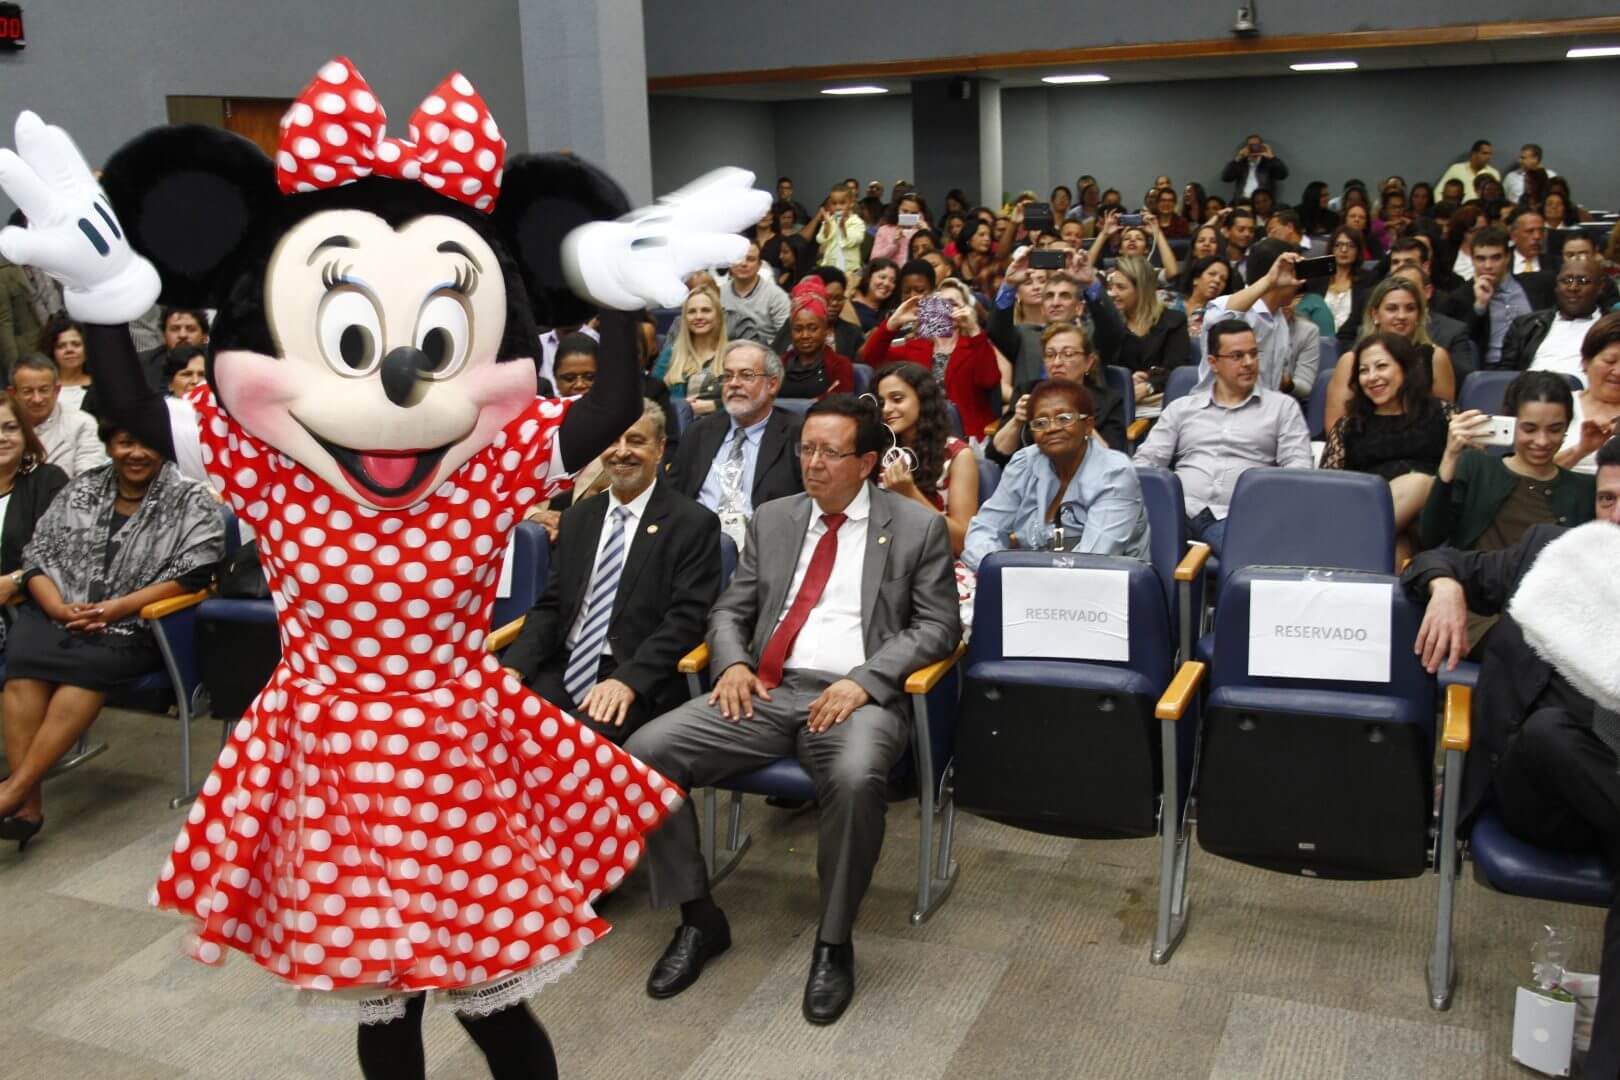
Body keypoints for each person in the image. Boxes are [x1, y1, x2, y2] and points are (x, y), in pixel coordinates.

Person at [625, 394, 959, 1025]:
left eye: (830, 453)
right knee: (645, 754)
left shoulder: (917, 527)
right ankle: (698, 917)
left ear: (867, 462)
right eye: (806, 449)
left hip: (855, 697)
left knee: (856, 780)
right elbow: (730, 609)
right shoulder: (775, 517)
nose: (812, 464)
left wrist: (866, 681)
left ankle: (833, 942)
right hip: (766, 689)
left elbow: (939, 626)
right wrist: (732, 663)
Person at [1400, 440, 1620, 1079]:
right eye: (1608, 499)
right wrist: (1447, 587)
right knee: (1552, 730)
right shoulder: (1553, 555)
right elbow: (1435, 557)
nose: (1616, 518)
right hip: (1537, 792)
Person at [0, 420, 225, 840]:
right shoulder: (81, 488)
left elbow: (194, 572)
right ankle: (28, 808)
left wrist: (115, 608)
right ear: (109, 445)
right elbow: (38, 556)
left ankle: (13, 791)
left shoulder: (189, 498)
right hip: (60, 612)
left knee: (87, 667)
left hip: (133, 623)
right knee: (24, 659)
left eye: (147, 443)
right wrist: (57, 607)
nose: (136, 453)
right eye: (125, 443)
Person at [503, 400, 720, 744]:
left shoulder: (693, 524)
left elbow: (686, 621)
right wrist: (515, 666)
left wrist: (629, 680)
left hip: (638, 672)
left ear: (660, 448)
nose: (621, 452)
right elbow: (551, 606)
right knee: (499, 722)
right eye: (612, 441)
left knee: (571, 745)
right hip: (565, 664)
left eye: (636, 441)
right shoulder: (578, 517)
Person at [1134, 318, 1313, 556]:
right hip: (1179, 512)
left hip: (1240, 517)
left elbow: (1299, 469)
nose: (1249, 363)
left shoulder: (1282, 408)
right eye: (1237, 356)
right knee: (1134, 548)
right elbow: (1147, 462)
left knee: (1252, 559)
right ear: (1213, 363)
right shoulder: (1183, 408)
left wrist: (1268, 509)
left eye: (1253, 354)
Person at [964, 377, 1149, 571]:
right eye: (1040, 423)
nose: (1052, 428)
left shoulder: (1115, 474)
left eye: (1064, 419)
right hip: (1027, 580)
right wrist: (998, 571)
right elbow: (985, 530)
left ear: (1088, 425)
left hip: (1107, 584)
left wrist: (1020, 577)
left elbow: (1092, 562)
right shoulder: (1025, 463)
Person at [1420, 370, 1593, 568]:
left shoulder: (1585, 488)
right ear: (1511, 422)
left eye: (1555, 429)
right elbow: (1430, 536)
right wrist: (1450, 456)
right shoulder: (1477, 467)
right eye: (1529, 429)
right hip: (1478, 582)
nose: (1542, 441)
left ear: (1567, 427)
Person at [1320, 333, 1454, 562]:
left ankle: (1341, 552)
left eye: (1381, 366)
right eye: (1363, 371)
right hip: (1368, 516)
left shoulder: (1442, 414)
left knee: (1419, 483)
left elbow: (1465, 475)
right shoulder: (1349, 426)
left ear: (1406, 368)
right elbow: (1329, 489)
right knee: (1398, 548)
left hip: (1431, 519)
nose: (1372, 377)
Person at [669, 340, 803, 523]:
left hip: (763, 536)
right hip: (697, 535)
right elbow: (671, 495)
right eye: (727, 376)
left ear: (772, 385)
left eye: (746, 375)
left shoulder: (798, 434)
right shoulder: (698, 432)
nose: (733, 384)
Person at [862, 278, 1004, 437]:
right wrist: (893, 322)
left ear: (966, 310)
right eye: (940, 303)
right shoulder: (913, 347)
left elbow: (988, 380)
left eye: (953, 304)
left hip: (966, 433)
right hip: (920, 432)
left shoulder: (977, 345)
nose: (946, 309)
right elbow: (870, 358)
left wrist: (974, 329)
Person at [1323, 275, 1457, 431]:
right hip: (1362, 441)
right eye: (1392, 308)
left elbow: (1445, 420)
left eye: (1410, 308)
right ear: (1375, 314)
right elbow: (1335, 426)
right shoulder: (1351, 361)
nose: (1401, 316)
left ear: (1419, 315)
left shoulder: (1435, 357)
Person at [871, 362, 978, 555]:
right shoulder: (874, 452)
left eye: (897, 399)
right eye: (881, 403)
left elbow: (962, 543)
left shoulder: (957, 455)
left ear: (923, 399)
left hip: (936, 560)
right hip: (883, 556)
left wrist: (910, 493)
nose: (886, 409)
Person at [989, 320, 1125, 459]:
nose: (1057, 362)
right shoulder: (1027, 391)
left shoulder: (1109, 401)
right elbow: (995, 456)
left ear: (1088, 362)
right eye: (1050, 355)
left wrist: (1081, 420)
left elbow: (1114, 460)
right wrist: (1017, 421)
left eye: (1068, 354)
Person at [0, 392, 69, 649]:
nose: (1, 437)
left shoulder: (48, 481)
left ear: (25, 433)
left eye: (10, 428)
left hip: (28, 612)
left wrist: (16, 580)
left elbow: (63, 554)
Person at [1445, 225, 1556, 369]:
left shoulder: (1538, 283)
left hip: (1539, 363)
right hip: (1493, 369)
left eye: (1496, 258)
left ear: (1508, 257)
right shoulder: (1461, 297)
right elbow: (1462, 345)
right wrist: (1480, 306)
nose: (1488, 266)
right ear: (1472, 260)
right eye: (1481, 259)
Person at [1198, 240, 1302, 392]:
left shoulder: (1280, 319)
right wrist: (1269, 281)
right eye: (1295, 272)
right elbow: (1216, 319)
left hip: (1265, 405)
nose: (1300, 283)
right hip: (1218, 405)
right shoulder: (1230, 305)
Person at [1094, 253, 1191, 401]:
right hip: (1116, 399)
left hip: (1159, 401)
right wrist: (1126, 381)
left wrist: (1149, 385)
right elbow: (1101, 367)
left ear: (1141, 290)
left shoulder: (1174, 321)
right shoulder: (1110, 323)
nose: (1112, 293)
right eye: (1111, 286)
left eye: (1120, 287)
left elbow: (1176, 369)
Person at [1497, 255, 1605, 381]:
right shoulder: (1526, 325)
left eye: (1583, 281)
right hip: (1528, 389)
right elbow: (1504, 376)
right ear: (1556, 287)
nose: (1573, 287)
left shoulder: (1612, 327)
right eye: (1566, 280)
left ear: (1600, 287)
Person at [8, 354, 106, 478]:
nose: (37, 399)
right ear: (12, 393)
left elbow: (89, 480)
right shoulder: (4, 426)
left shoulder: (82, 423)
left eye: (44, 390)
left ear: (57, 390)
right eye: (27, 391)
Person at [653, 283, 729, 415]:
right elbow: (651, 401)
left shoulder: (732, 355)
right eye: (692, 311)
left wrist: (714, 406)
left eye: (706, 310)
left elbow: (748, 402)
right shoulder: (671, 353)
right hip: (679, 425)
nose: (698, 316)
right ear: (685, 318)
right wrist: (681, 405)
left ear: (718, 316)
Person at [1558, 313, 1620, 474]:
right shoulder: (1558, 405)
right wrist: (1580, 450)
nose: (1618, 371)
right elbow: (1531, 473)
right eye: (1610, 361)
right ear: (1586, 361)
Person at [778, 281, 855, 399]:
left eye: (813, 329)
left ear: (825, 330)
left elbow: (842, 404)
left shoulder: (840, 365)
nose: (805, 335)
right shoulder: (778, 364)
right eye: (798, 329)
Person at [1310, 226, 1373, 342]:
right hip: (1315, 341)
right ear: (1331, 249)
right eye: (1338, 245)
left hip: (1351, 342)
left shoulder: (1368, 279)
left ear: (1358, 251)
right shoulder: (1316, 279)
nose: (1344, 250)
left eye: (1351, 246)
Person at [720, 241, 791, 345]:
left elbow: (786, 338)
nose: (743, 264)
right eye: (738, 258)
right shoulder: (719, 294)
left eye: (750, 259)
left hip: (766, 351)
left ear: (759, 265)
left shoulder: (776, 297)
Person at [138, 307, 209, 392]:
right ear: (163, 335)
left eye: (191, 329)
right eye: (175, 329)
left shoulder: (216, 363)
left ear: (205, 336)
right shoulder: (143, 365)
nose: (182, 335)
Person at [36, 316, 91, 412]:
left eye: (76, 344)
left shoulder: (101, 386)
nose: (69, 350)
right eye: (61, 346)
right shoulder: (38, 387)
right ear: (51, 351)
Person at [0, 248, 41, 373]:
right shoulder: (5, 272)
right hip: (27, 352)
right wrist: (14, 366)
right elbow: (4, 323)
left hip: (48, 342)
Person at [1178, 255, 1231, 347]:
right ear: (1195, 279)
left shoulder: (1217, 316)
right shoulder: (1166, 299)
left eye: (1223, 279)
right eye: (1212, 274)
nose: (1217, 280)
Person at [1220, 133, 1288, 201]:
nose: (1254, 148)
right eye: (1251, 145)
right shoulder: (1241, 163)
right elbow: (1226, 178)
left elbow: (1282, 175)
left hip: (1263, 202)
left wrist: (1272, 158)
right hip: (1242, 200)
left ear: (1262, 146)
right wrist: (1237, 158)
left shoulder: (1268, 163)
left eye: (1257, 145)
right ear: (1246, 147)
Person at [871, 194, 928, 264]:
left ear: (920, 214)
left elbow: (931, 258)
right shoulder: (884, 230)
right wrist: (894, 244)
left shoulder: (922, 232)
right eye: (905, 211)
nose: (908, 215)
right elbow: (874, 260)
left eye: (914, 213)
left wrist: (927, 233)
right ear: (897, 210)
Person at [846, 257, 898, 333]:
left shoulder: (891, 312)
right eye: (882, 277)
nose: (887, 283)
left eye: (892, 281)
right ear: (869, 277)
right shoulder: (850, 308)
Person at [1509, 208, 1552, 276]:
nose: (1537, 236)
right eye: (1530, 231)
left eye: (1541, 231)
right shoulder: (1502, 263)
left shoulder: (1558, 265)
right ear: (1514, 236)